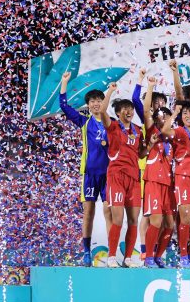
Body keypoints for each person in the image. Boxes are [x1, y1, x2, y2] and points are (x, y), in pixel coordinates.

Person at [59, 71, 112, 266]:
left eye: (99, 100)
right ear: (88, 105)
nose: (96, 104)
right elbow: (64, 106)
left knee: (109, 212)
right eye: (92, 101)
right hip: (89, 175)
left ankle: (112, 253)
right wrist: (64, 82)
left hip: (108, 175)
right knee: (88, 212)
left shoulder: (111, 124)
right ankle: (87, 252)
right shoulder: (84, 121)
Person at [99, 83, 148, 268]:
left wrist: (149, 146)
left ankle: (128, 258)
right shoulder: (112, 127)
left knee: (134, 220)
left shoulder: (137, 129)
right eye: (125, 109)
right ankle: (112, 256)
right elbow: (103, 111)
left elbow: (141, 154)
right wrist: (110, 91)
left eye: (131, 108)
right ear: (118, 113)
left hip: (134, 178)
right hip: (116, 176)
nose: (129, 111)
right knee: (118, 219)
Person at [161, 100, 190, 268]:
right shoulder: (179, 131)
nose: (188, 116)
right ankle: (183, 255)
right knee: (186, 217)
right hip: (183, 177)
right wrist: (174, 113)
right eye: (185, 113)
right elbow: (165, 130)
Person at [141, 76, 175, 268]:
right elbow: (146, 110)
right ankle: (147, 257)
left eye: (166, 116)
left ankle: (158, 256)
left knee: (170, 224)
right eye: (159, 116)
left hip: (169, 184)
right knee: (156, 220)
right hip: (153, 181)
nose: (162, 118)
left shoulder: (172, 136)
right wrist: (151, 86)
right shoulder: (151, 129)